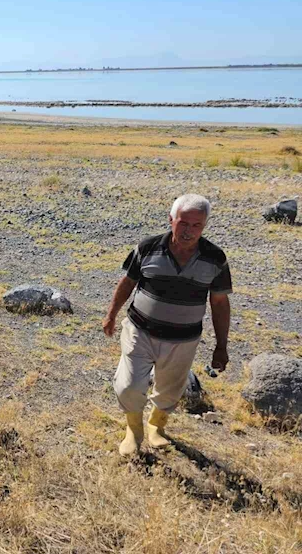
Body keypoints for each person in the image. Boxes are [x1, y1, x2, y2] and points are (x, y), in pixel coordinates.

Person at [103, 194, 232, 456]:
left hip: (183, 339)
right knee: (128, 386)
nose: (189, 231)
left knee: (170, 389)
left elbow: (219, 303)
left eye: (197, 225)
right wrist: (112, 314)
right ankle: (134, 430)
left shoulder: (215, 258)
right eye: (183, 223)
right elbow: (127, 282)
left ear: (204, 226)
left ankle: (156, 427)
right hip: (140, 330)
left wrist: (221, 346)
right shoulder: (148, 247)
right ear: (171, 219)